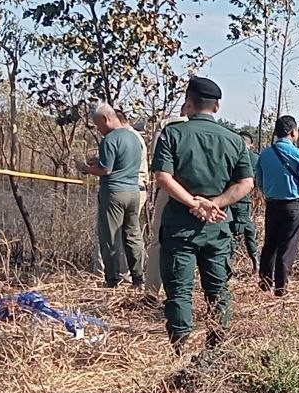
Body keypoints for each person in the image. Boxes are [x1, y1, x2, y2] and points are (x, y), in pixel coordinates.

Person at [150, 76, 255, 351]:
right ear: (217, 107)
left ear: (188, 103)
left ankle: (180, 351)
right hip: (218, 228)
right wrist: (216, 203)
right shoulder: (235, 141)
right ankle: (217, 351)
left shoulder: (173, 134)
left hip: (180, 227)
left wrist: (193, 203)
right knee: (218, 291)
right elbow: (246, 183)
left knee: (179, 291)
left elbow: (163, 177)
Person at [79, 103, 146, 289]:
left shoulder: (110, 139)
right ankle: (138, 278)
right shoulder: (134, 138)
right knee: (133, 235)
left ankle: (112, 279)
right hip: (133, 192)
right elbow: (120, 163)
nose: (99, 130)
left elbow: (106, 170)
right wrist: (99, 161)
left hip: (114, 193)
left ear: (106, 119)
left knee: (110, 237)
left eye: (98, 125)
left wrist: (87, 168)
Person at [255, 115, 299, 296]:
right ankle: (281, 287)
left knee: (270, 243)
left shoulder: (265, 154)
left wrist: (268, 193)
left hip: (272, 204)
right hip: (293, 205)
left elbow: (260, 181)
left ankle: (265, 281)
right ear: (293, 132)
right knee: (287, 246)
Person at [144, 108, 188, 299]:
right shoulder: (215, 131)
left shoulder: (167, 126)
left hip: (169, 189)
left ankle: (152, 292)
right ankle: (183, 295)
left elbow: (159, 163)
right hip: (202, 194)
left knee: (159, 241)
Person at [229, 130, 261, 273]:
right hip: (242, 201)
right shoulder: (253, 158)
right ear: (251, 144)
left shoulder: (229, 153)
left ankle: (254, 262)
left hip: (225, 200)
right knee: (239, 232)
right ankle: (227, 268)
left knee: (243, 230)